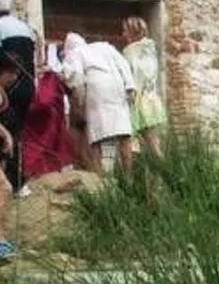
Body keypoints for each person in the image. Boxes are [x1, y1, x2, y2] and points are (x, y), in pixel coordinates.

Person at [60, 32, 136, 174]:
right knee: (123, 134)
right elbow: (124, 64)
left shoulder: (76, 53)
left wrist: (80, 101)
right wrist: (130, 87)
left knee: (96, 138)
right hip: (117, 87)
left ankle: (98, 176)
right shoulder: (106, 47)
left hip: (96, 90)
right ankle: (128, 177)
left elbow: (76, 78)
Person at [0, 0, 37, 192]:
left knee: (0, 130)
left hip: (7, 84)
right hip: (27, 83)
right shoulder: (24, 27)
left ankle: (5, 181)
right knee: (18, 130)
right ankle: (18, 180)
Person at [120, 16, 167, 157]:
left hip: (138, 101)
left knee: (148, 145)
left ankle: (168, 174)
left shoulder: (130, 51)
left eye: (125, 31)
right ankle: (156, 177)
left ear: (132, 32)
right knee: (153, 143)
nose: (122, 34)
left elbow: (128, 76)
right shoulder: (150, 49)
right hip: (152, 99)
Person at [0, 57, 19, 260]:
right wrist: (5, 134)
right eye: (13, 73)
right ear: (4, 71)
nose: (15, 78)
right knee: (3, 188)